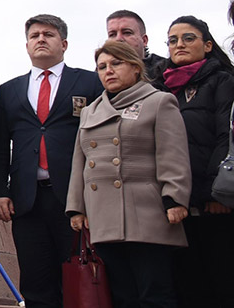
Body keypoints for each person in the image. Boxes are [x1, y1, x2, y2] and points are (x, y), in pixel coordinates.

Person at [67, 40, 191, 308]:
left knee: (155, 294)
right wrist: (76, 208)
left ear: (136, 68)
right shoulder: (90, 111)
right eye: (102, 67)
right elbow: (80, 162)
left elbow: (173, 154)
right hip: (103, 216)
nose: (108, 71)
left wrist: (175, 197)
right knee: (122, 296)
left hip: (148, 213)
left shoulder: (159, 101)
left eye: (116, 63)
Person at [0, 15, 101, 308]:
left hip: (76, 200)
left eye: (48, 34)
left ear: (63, 44)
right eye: (34, 35)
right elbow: (0, 145)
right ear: (26, 45)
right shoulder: (9, 90)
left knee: (78, 279)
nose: (40, 39)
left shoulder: (90, 81)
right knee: (37, 284)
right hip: (28, 201)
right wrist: (0, 191)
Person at [152, 16, 234, 306]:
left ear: (208, 45)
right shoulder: (159, 88)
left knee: (220, 281)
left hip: (213, 202)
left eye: (189, 38)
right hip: (174, 203)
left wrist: (215, 192)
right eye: (173, 40)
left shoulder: (222, 80)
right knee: (185, 283)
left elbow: (225, 136)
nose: (179, 44)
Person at [106, 10, 169, 82]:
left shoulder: (167, 73)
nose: (119, 39)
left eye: (127, 33)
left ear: (144, 40)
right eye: (112, 35)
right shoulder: (98, 81)